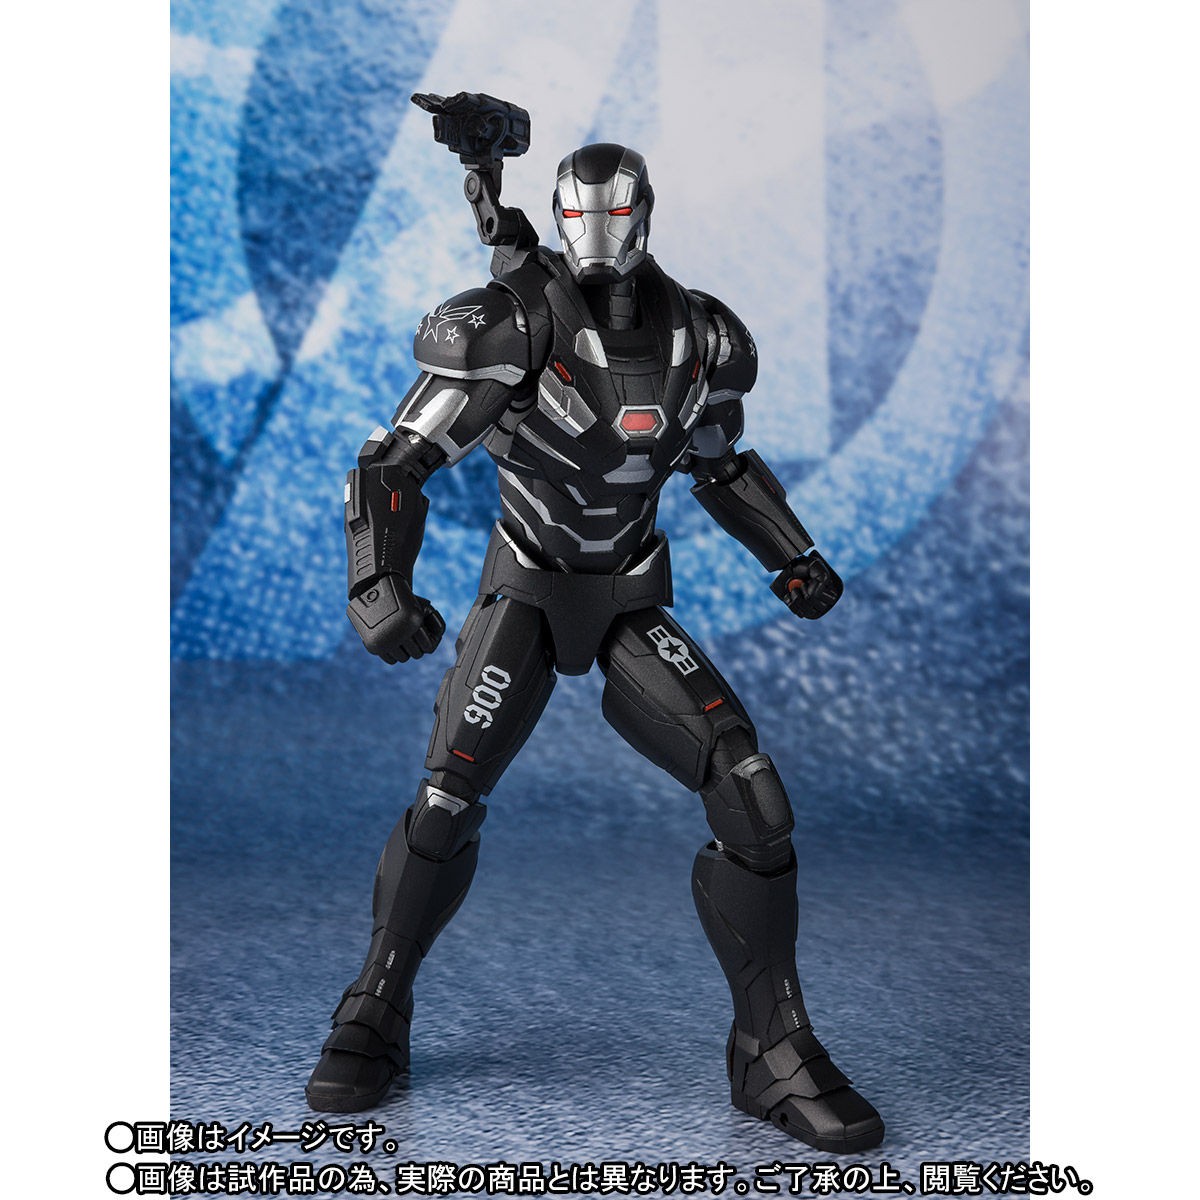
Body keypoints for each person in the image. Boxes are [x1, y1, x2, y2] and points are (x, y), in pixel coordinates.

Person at [306, 93, 884, 1154]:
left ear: (646, 213)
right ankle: (376, 1002)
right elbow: (395, 461)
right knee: (446, 800)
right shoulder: (508, 323)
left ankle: (770, 1048)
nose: (602, 234)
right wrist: (376, 583)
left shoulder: (702, 335)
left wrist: (791, 556)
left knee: (749, 789)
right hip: (527, 592)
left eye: (617, 213)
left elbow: (721, 465)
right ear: (565, 219)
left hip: (627, 600)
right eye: (584, 216)